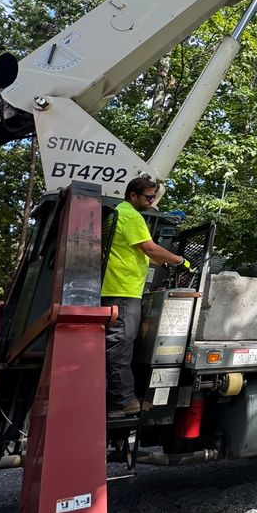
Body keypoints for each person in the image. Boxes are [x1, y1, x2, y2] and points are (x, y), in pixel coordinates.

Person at [103, 176, 190, 419]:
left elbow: (144, 256)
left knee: (117, 346)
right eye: (149, 197)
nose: (152, 202)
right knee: (120, 348)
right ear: (133, 196)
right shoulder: (131, 216)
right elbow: (150, 248)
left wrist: (165, 260)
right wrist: (180, 260)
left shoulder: (119, 214)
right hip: (122, 291)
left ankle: (118, 398)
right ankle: (123, 402)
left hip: (118, 290)